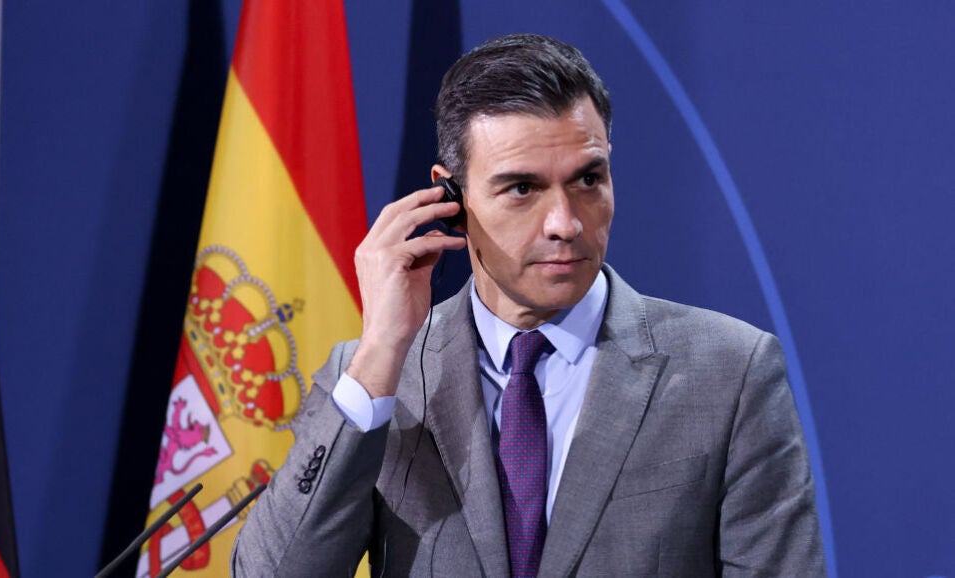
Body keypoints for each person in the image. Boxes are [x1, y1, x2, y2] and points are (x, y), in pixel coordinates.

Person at [232, 33, 826, 577]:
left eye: (588, 180)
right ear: (450, 198)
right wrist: (381, 353)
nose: (565, 223)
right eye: (522, 188)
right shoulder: (376, 379)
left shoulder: (730, 373)